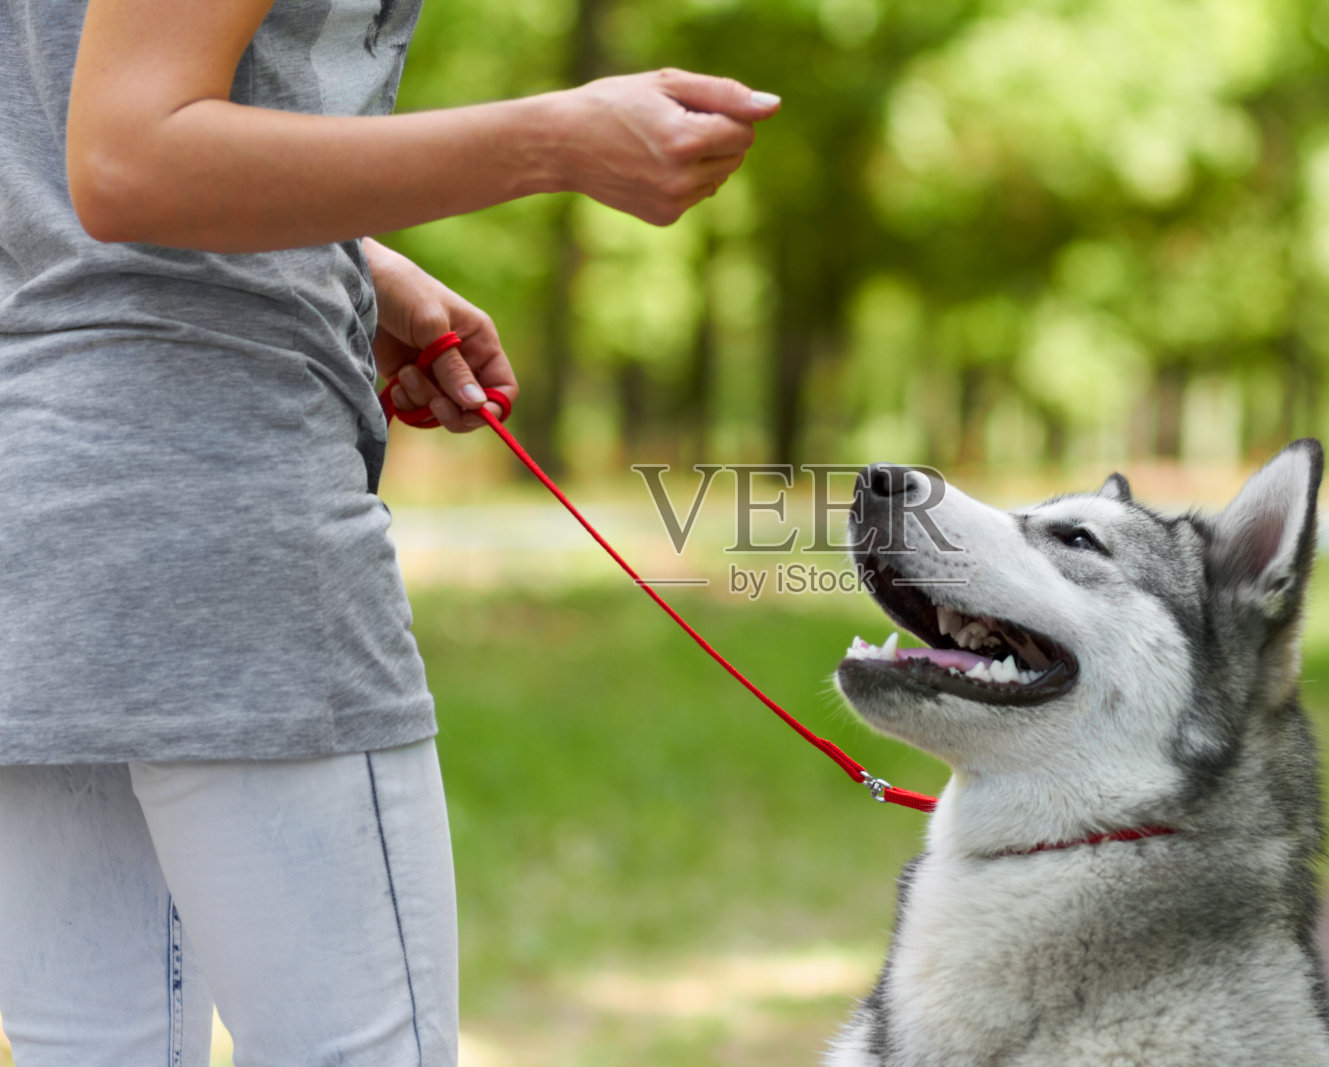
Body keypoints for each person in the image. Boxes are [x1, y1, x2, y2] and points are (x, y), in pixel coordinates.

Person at [0, 0, 780, 1063]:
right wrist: (554, 140)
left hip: (40, 521)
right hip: (224, 506)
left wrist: (349, 268)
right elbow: (125, 157)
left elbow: (56, 150)